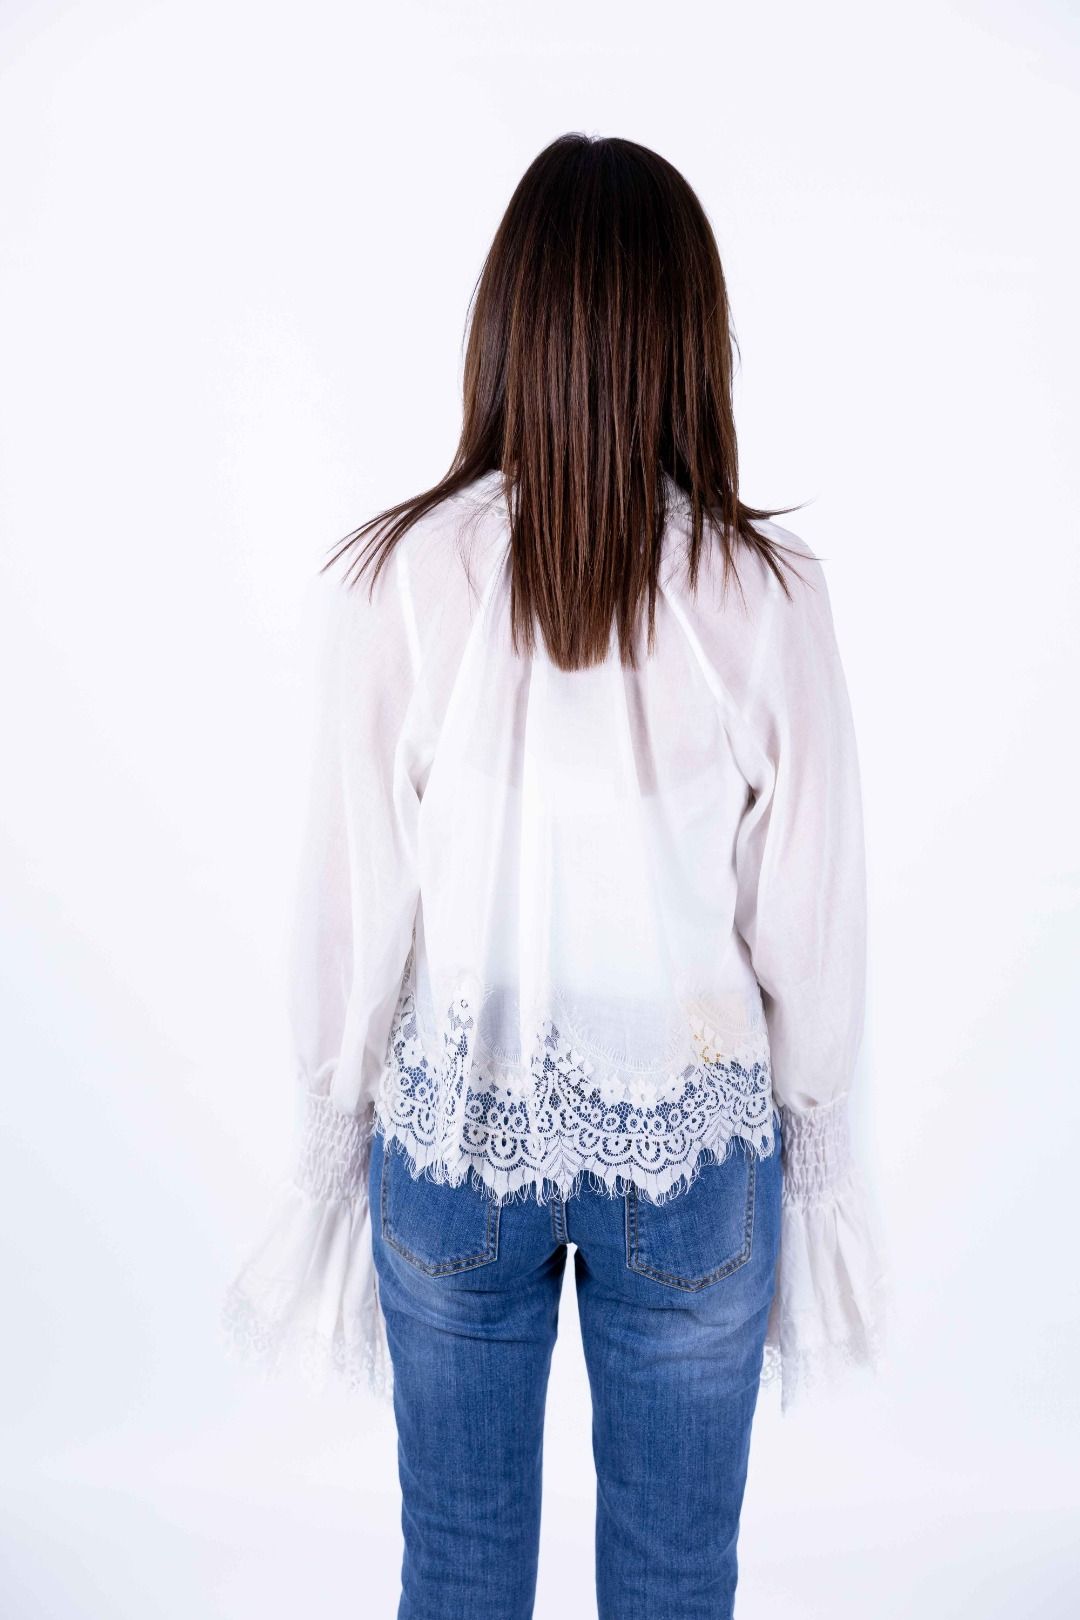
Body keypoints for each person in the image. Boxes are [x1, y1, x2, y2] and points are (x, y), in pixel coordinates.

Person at [223, 131, 889, 1620]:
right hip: (698, 1154)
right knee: (675, 1580)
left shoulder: (403, 576)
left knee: (457, 1570)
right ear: (691, 339)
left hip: (453, 1141)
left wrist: (334, 1119)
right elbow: (811, 923)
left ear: (506, 325)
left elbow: (354, 901)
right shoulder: (767, 595)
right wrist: (818, 1153)